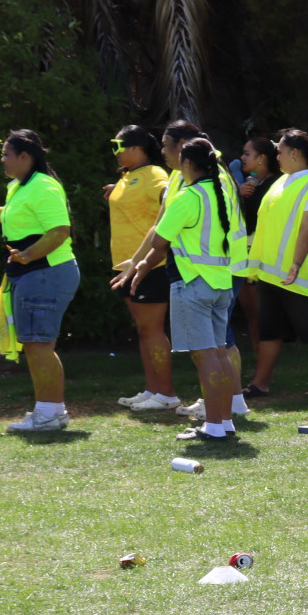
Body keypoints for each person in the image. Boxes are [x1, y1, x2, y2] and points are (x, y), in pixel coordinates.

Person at [116, 138, 245, 443]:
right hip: (221, 283)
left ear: (187, 163)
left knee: (206, 356)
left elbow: (159, 243)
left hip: (192, 283)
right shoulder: (222, 192)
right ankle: (224, 422)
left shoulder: (188, 197)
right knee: (220, 353)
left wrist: (139, 269)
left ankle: (214, 426)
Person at [0, 128, 78, 433]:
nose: (2, 160)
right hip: (35, 274)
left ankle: (47, 414)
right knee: (40, 346)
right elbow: (13, 215)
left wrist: (27, 255)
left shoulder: (43, 186)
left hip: (45, 273)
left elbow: (60, 230)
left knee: (38, 346)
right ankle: (53, 411)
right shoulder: (20, 187)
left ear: (24, 156)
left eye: (6, 154)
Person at [245, 129, 308, 397]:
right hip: (272, 275)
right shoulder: (281, 182)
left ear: (295, 153)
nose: (276, 157)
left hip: (302, 276)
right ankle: (259, 384)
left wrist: (296, 265)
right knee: (270, 331)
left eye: (280, 152)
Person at [106, 125, 179, 412]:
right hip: (124, 265)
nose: (115, 152)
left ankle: (167, 394)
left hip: (150, 265)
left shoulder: (155, 174)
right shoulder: (127, 176)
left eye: (119, 146)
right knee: (143, 330)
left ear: (137, 148)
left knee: (152, 330)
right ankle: (152, 390)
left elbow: (169, 201)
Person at [231, 135, 277, 370]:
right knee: (251, 314)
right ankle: (260, 367)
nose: (242, 158)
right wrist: (238, 195)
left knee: (263, 315)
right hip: (244, 257)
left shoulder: (276, 185)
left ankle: (265, 372)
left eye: (247, 154)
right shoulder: (247, 184)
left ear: (262, 158)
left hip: (264, 259)